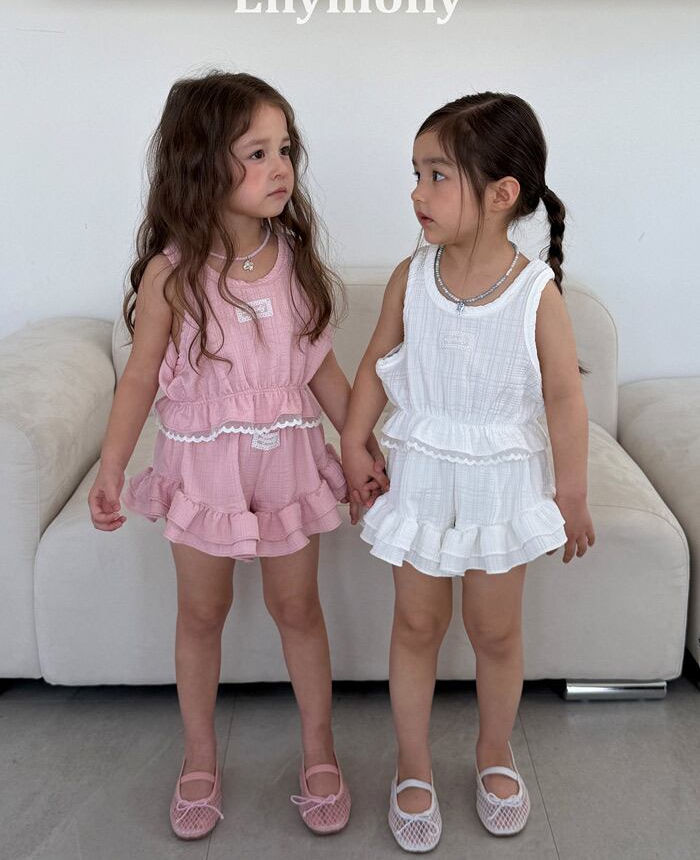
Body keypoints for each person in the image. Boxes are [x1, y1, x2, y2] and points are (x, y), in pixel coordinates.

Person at [88, 71, 387, 840]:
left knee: (298, 608)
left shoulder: (293, 262)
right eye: (257, 152)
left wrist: (360, 445)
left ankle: (319, 749)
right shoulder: (172, 274)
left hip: (287, 463)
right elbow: (140, 378)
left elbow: (321, 369)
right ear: (201, 163)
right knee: (201, 611)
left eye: (284, 149)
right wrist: (112, 464)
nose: (280, 166)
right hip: (201, 468)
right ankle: (199, 757)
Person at [341, 92, 596, 851]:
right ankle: (412, 762)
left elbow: (565, 398)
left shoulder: (535, 294)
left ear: (501, 193)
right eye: (416, 173)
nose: (416, 193)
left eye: (437, 175)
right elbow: (376, 363)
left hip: (500, 484)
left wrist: (571, 493)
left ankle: (493, 750)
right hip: (422, 474)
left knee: (494, 629)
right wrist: (354, 440)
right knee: (417, 623)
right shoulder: (411, 276)